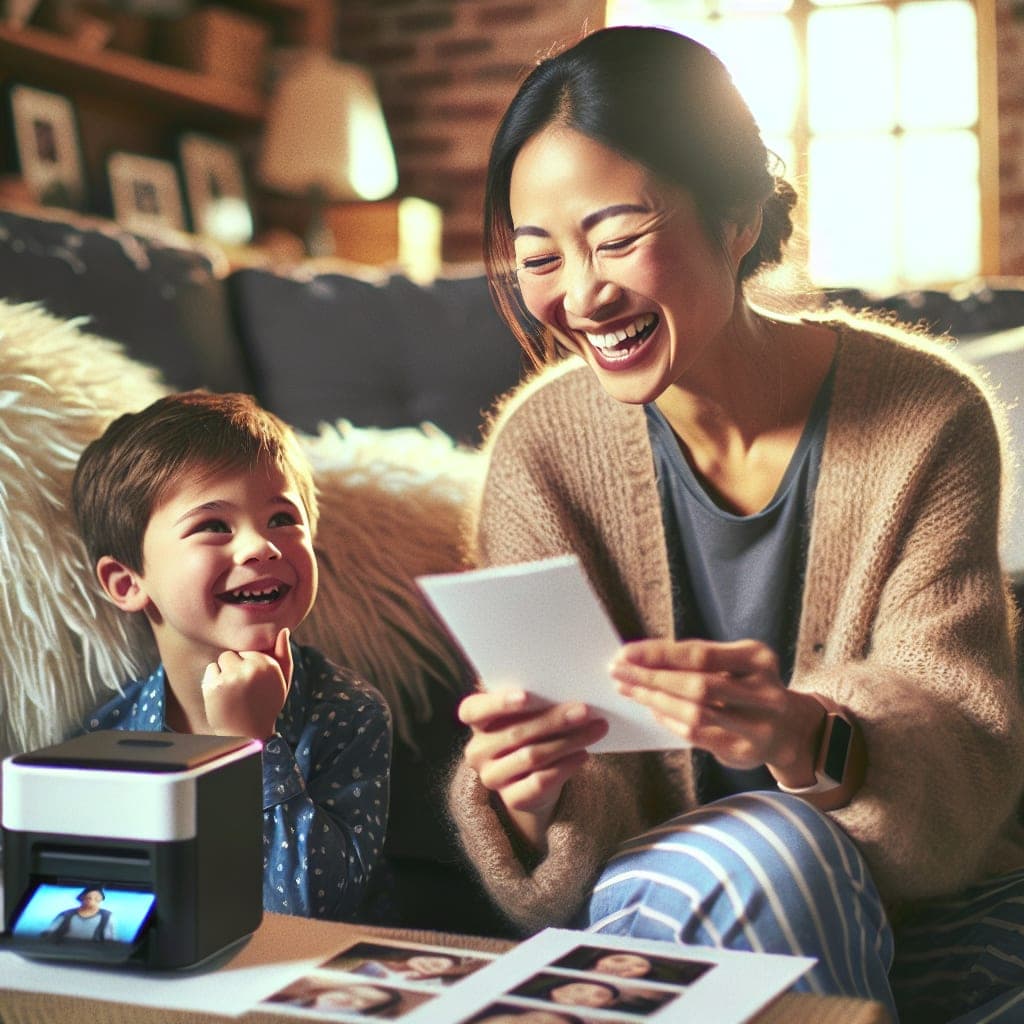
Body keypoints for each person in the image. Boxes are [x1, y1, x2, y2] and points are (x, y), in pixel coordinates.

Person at [447, 24, 1024, 1024]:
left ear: (739, 215)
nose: (580, 295)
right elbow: (566, 811)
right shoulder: (540, 449)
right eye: (539, 256)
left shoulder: (928, 416)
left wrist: (811, 735)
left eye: (617, 237)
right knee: (773, 857)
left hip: (905, 887)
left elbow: (967, 747)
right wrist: (528, 793)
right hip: (665, 888)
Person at [71, 391, 391, 920]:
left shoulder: (348, 712)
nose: (261, 547)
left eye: (282, 519)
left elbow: (308, 915)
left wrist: (251, 745)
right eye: (214, 526)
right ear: (127, 582)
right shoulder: (107, 738)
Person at [42, 886, 114, 943]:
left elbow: (109, 939)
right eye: (89, 898)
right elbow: (50, 932)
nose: (92, 901)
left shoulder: (107, 916)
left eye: (96, 899)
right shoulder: (66, 914)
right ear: (82, 898)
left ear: (100, 900)